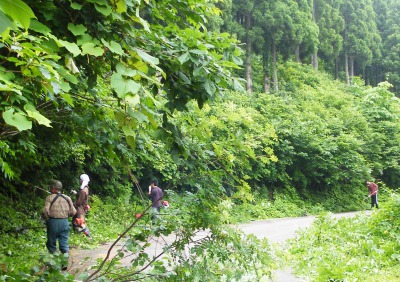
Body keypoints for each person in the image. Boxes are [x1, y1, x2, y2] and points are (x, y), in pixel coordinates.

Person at [42, 180, 76, 270]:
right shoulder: (67, 198)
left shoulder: (49, 198)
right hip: (64, 222)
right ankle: (64, 263)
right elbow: (73, 212)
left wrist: (46, 218)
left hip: (53, 222)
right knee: (64, 244)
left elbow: (45, 211)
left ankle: (53, 263)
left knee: (51, 243)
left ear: (53, 188)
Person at [72, 173, 92, 238]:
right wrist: (77, 193)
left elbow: (79, 202)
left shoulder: (83, 191)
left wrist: (72, 204)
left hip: (79, 209)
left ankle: (89, 236)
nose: (79, 181)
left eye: (80, 179)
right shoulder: (86, 188)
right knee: (75, 223)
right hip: (80, 209)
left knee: (81, 223)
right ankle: (78, 236)